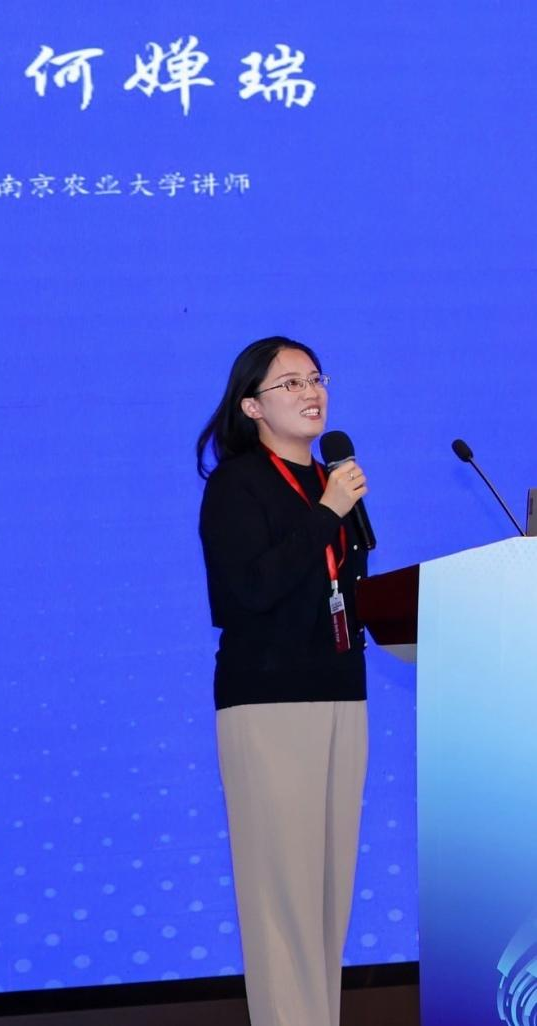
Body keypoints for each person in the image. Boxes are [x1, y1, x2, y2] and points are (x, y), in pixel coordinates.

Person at [197, 336, 369, 1026]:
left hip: (341, 690)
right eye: (290, 383)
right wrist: (327, 512)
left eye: (316, 378)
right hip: (269, 703)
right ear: (251, 406)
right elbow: (248, 591)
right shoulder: (238, 485)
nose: (311, 392)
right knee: (283, 897)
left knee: (328, 893)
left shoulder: (328, 481)